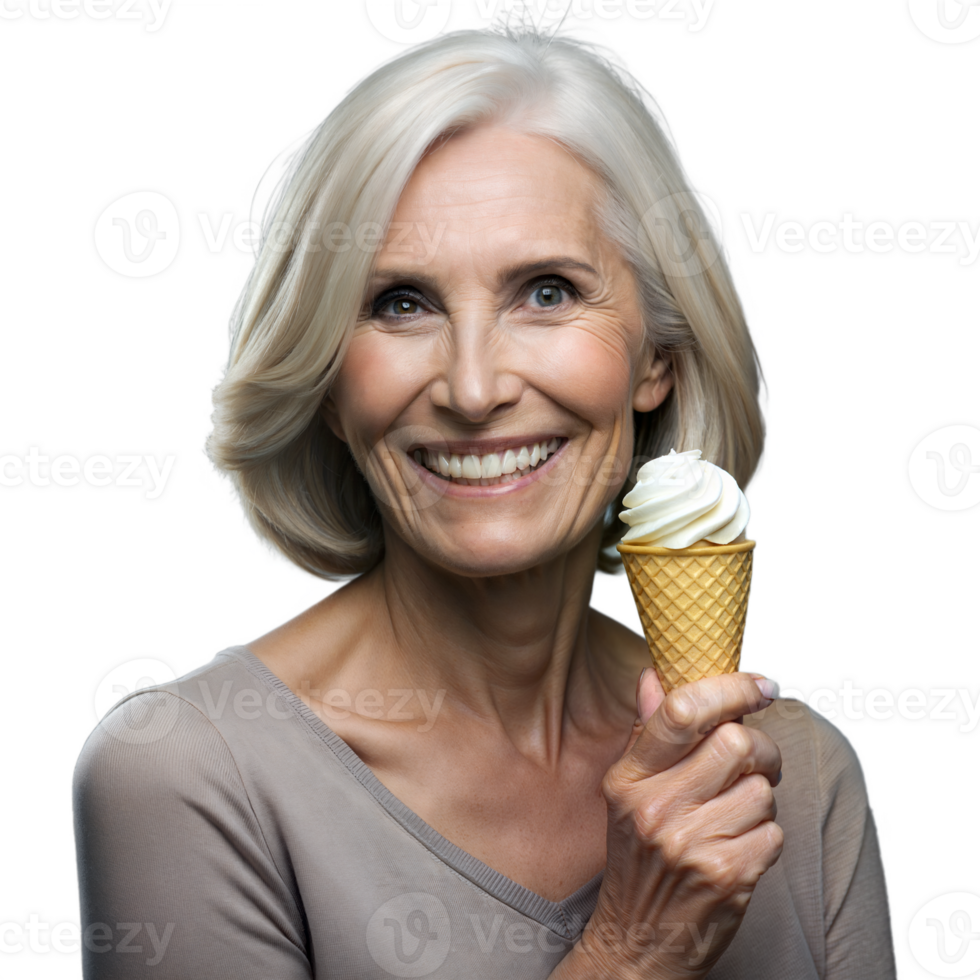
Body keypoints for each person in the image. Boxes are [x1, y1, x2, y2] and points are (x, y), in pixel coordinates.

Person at [71, 15, 898, 979]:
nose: (473, 389)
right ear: (328, 385)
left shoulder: (797, 775)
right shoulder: (187, 773)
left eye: (546, 292)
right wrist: (635, 950)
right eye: (400, 303)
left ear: (657, 359)